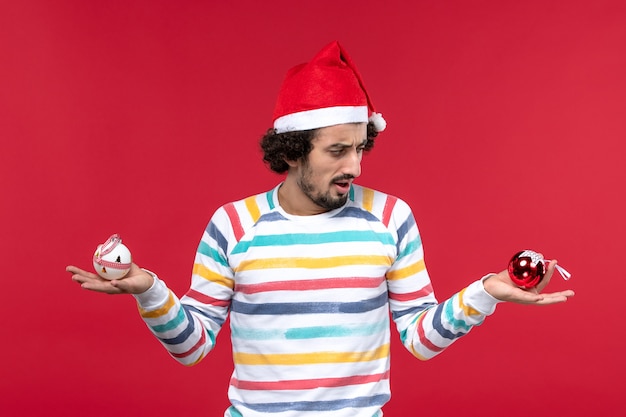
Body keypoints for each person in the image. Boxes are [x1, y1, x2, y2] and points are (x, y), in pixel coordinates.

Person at [67, 41, 574, 417]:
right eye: (337, 151)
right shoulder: (233, 225)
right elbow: (193, 346)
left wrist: (486, 291)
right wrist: (148, 290)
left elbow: (420, 338)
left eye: (360, 148)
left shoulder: (390, 218)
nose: (355, 165)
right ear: (290, 151)